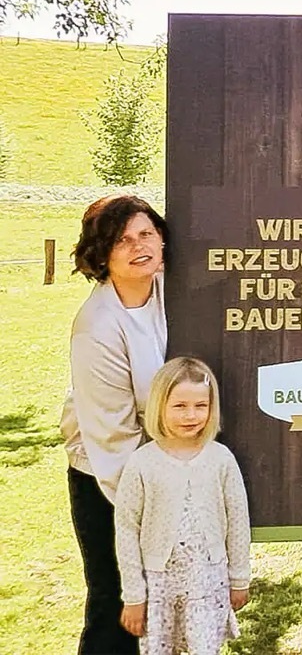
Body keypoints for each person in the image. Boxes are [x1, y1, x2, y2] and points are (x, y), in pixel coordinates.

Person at [61, 194, 169, 655]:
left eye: (146, 233)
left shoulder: (171, 289)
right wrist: (154, 513)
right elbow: (113, 438)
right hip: (109, 478)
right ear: (101, 253)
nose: (138, 246)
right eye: (122, 240)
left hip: (164, 467)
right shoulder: (98, 325)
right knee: (119, 606)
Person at [114, 356, 251, 655]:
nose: (191, 415)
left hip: (207, 580)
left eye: (200, 406)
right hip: (159, 585)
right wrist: (134, 595)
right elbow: (126, 529)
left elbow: (238, 521)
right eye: (180, 406)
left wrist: (239, 578)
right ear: (160, 406)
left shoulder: (221, 459)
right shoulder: (142, 463)